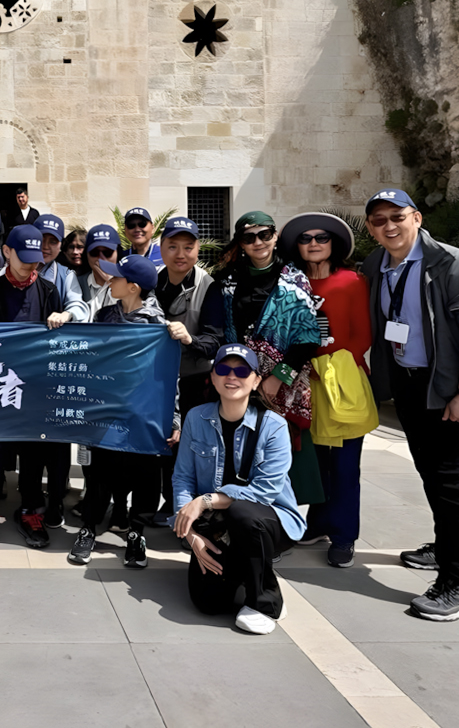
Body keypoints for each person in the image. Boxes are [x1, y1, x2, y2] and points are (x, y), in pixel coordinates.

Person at [361, 188, 459, 621]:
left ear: (416, 218)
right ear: (370, 228)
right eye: (379, 220)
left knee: (450, 485)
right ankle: (444, 548)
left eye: (397, 216)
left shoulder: (454, 264)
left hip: (453, 389)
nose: (389, 226)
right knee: (431, 475)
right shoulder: (375, 265)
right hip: (410, 386)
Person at [173, 344, 304, 635]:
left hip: (270, 521)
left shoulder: (274, 426)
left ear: (256, 380)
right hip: (219, 524)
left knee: (243, 512)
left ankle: (265, 602)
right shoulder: (196, 417)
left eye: (242, 371)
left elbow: (265, 492)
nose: (232, 376)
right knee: (208, 602)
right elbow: (182, 478)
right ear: (213, 377)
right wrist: (190, 534)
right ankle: (246, 572)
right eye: (224, 369)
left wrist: (205, 501)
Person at [202, 211, 323, 506]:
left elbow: (309, 338)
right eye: (249, 237)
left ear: (275, 236)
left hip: (283, 383)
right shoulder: (226, 283)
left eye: (264, 234)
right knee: (238, 449)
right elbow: (217, 332)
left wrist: (276, 378)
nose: (258, 242)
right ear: (240, 243)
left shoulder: (295, 280)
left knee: (281, 452)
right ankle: (237, 511)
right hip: (238, 379)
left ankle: (282, 518)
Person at [281, 212, 378, 569]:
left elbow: (362, 336)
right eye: (305, 238)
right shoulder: (290, 283)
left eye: (321, 237)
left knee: (345, 465)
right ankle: (319, 522)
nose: (314, 243)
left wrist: (329, 368)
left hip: (341, 383)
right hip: (302, 384)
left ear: (333, 243)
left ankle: (343, 534)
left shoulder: (352, 281)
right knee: (314, 461)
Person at [68, 254, 175, 568]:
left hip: (145, 415)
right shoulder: (104, 315)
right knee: (99, 473)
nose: (109, 280)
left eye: (116, 277)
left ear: (133, 287)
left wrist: (175, 416)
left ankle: (136, 534)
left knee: (144, 476)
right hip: (106, 410)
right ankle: (88, 529)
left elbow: (170, 376)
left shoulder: (158, 326)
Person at [0, 225, 62, 550]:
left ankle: (29, 510)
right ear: (7, 252)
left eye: (35, 259)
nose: (30, 265)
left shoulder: (49, 291)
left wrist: (63, 318)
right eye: (24, 258)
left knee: (33, 451)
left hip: (36, 387)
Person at [156, 216, 221, 523]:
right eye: (173, 246)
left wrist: (190, 339)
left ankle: (193, 509)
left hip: (195, 380)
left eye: (188, 247)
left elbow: (215, 340)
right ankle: (168, 503)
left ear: (197, 249)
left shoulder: (209, 286)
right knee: (163, 442)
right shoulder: (152, 281)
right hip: (157, 380)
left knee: (192, 446)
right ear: (161, 248)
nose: (180, 254)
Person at [80, 223, 119, 311]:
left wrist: (113, 283)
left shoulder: (130, 283)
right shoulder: (76, 283)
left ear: (118, 253)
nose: (101, 258)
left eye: (107, 253)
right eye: (95, 252)